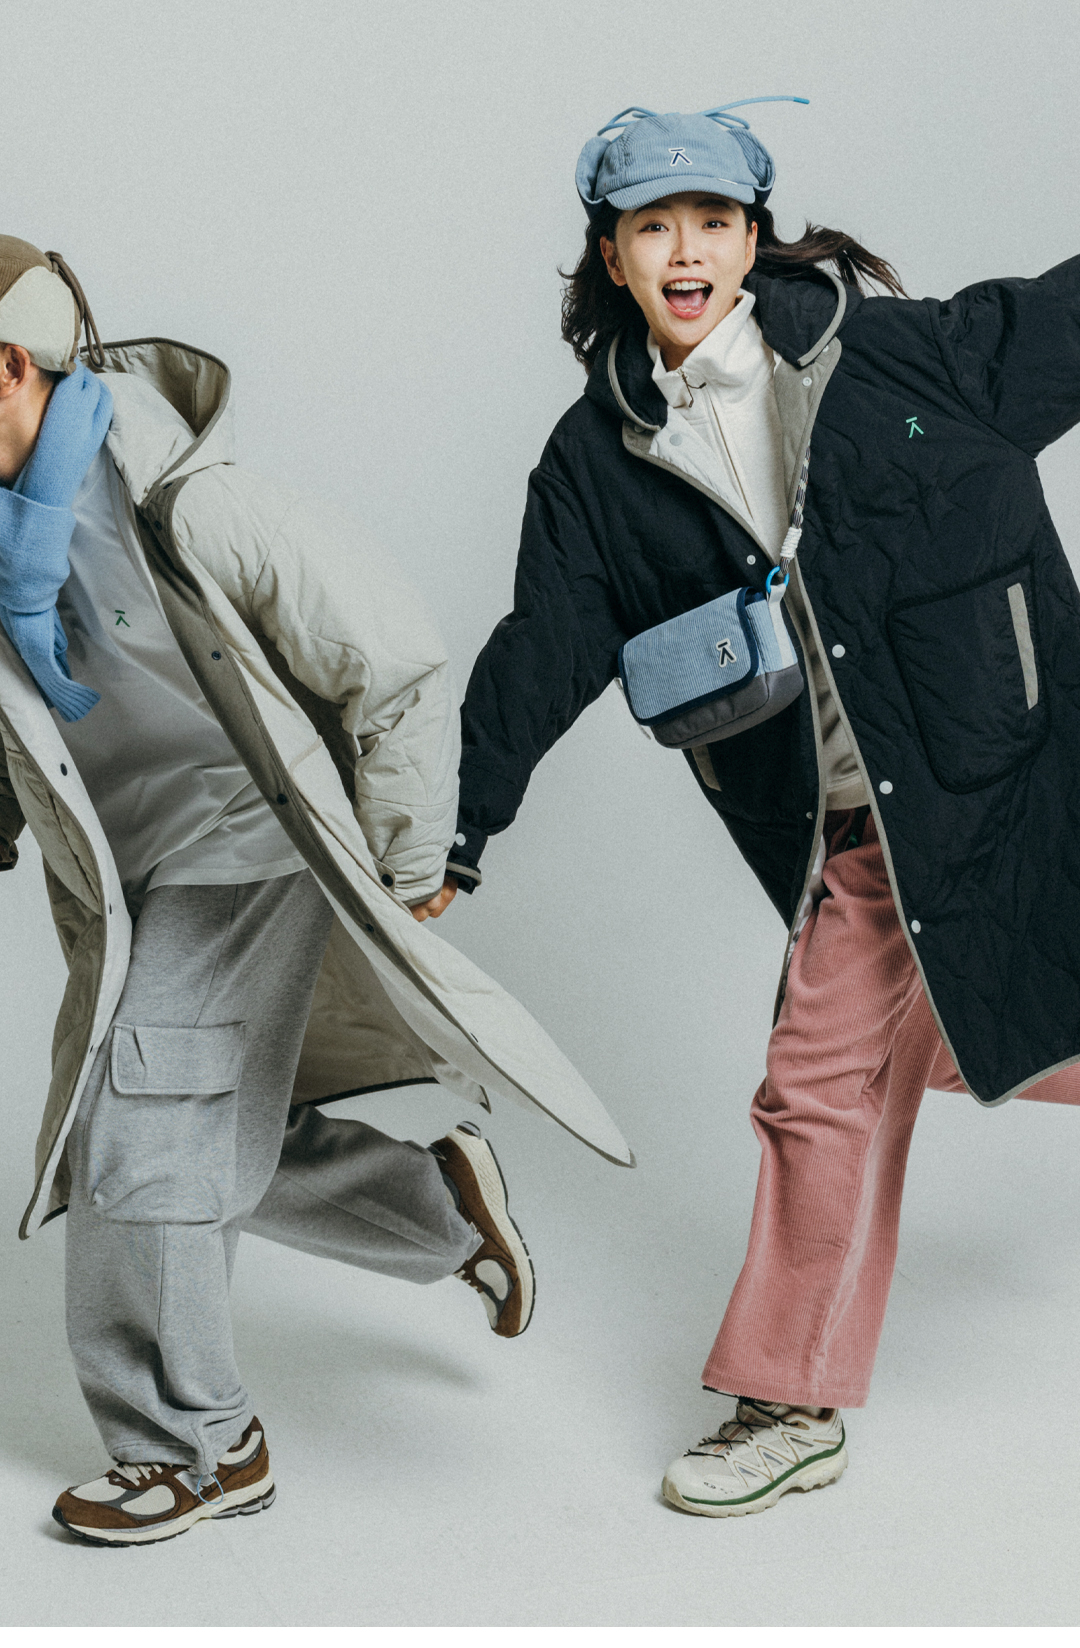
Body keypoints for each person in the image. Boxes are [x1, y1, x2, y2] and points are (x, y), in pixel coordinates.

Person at [444, 102, 1080, 1517]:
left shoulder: (904, 355)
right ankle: (791, 1398)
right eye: (653, 227)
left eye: (713, 222)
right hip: (848, 830)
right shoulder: (596, 461)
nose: (686, 251)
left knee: (892, 1059)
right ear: (611, 255)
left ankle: (788, 1395)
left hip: (1009, 781)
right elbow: (545, 641)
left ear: (752, 239)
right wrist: (460, 827)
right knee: (856, 1074)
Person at [0, 236, 630, 1547]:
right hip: (129, 876)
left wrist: (406, 863)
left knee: (139, 1142)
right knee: (204, 1127)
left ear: (12, 367)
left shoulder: (181, 497)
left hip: (252, 842)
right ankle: (436, 1206)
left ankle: (196, 1448)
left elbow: (389, 657)